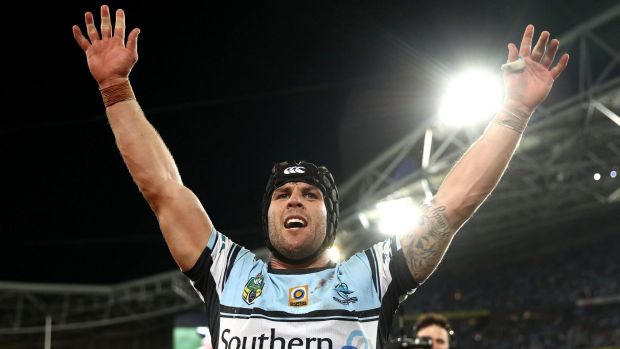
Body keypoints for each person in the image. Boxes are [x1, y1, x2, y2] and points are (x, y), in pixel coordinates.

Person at [72, 5, 569, 349]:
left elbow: (451, 205)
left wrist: (513, 113)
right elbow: (163, 189)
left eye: (310, 194)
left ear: (331, 217)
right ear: (266, 212)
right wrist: (116, 88)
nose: (294, 201)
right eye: (283, 194)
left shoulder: (371, 279)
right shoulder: (228, 274)